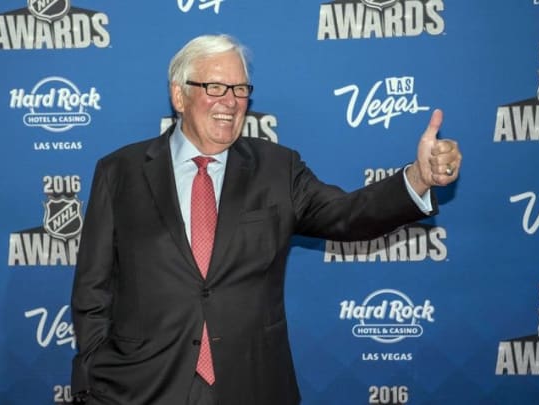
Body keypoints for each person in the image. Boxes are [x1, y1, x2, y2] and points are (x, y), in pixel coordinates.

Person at [70, 34, 462, 405]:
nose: (231, 101)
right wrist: (93, 372)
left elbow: (348, 215)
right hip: (142, 388)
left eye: (241, 89)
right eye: (216, 87)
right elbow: (93, 288)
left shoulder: (277, 168)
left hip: (252, 384)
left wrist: (417, 179)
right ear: (179, 95)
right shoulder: (120, 171)